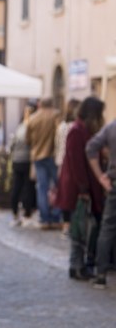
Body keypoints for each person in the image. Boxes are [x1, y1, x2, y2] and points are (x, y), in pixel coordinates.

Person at [55, 97, 105, 281]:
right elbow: (76, 162)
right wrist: (83, 188)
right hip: (78, 187)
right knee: (80, 227)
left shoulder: (81, 129)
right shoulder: (76, 131)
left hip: (82, 185)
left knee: (84, 227)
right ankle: (76, 265)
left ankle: (79, 265)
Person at [85, 105, 116, 289]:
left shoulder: (112, 127)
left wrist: (100, 176)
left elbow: (90, 147)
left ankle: (101, 274)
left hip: (114, 183)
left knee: (108, 228)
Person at [26, 98, 62, 229]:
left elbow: (27, 139)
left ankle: (44, 218)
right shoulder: (56, 114)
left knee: (42, 187)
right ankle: (56, 215)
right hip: (52, 155)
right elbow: (60, 134)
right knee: (59, 186)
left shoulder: (33, 118)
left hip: (37, 156)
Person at [8, 102, 38, 227]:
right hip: (27, 160)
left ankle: (16, 214)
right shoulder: (32, 126)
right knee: (28, 188)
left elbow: (12, 145)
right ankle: (26, 214)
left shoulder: (20, 127)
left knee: (17, 187)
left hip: (17, 160)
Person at [55, 98, 81, 235]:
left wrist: (58, 164)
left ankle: (66, 225)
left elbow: (58, 146)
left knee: (65, 194)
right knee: (73, 194)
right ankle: (72, 224)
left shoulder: (62, 126)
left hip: (62, 162)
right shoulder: (77, 127)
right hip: (70, 162)